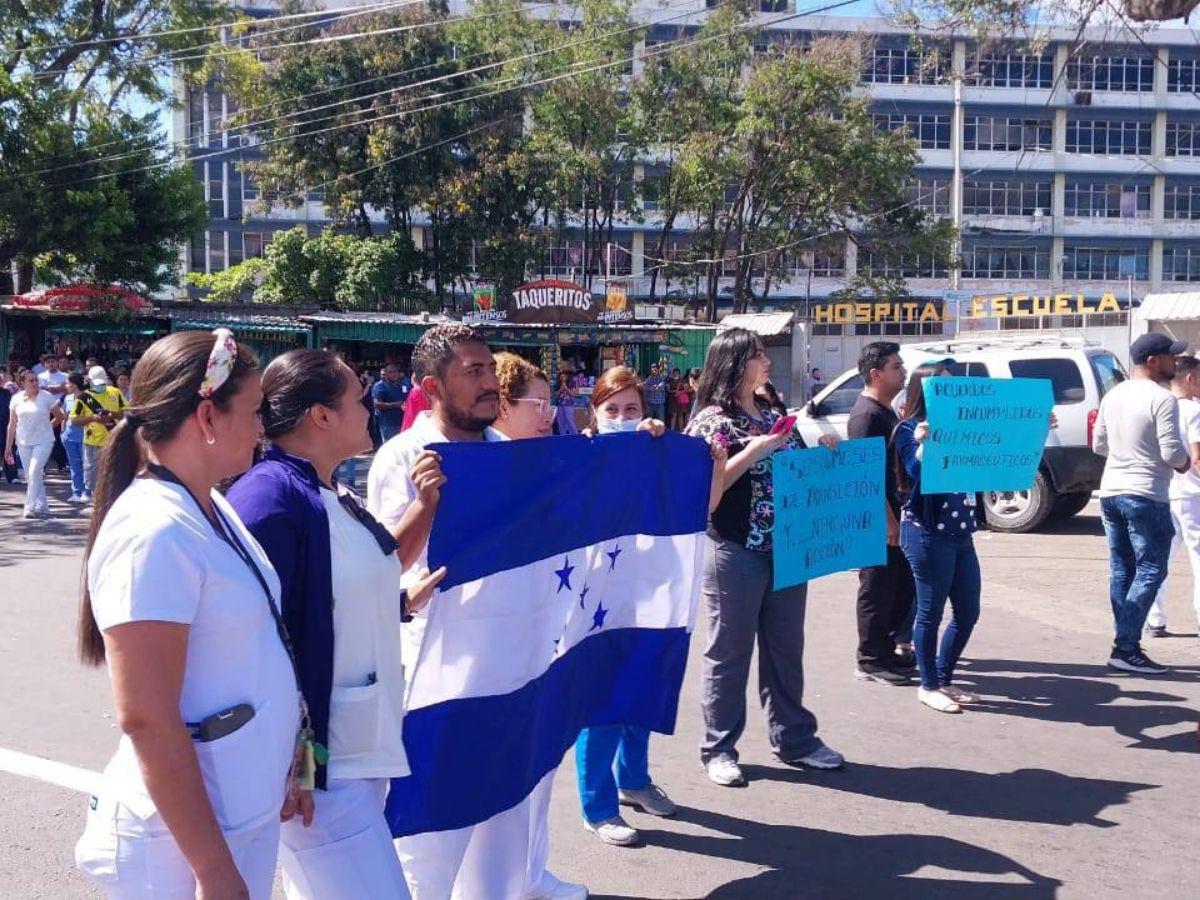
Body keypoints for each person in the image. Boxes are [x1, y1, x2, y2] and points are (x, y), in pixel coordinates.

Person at [74, 329, 302, 899]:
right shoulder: (153, 531)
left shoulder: (209, 504)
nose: (260, 428)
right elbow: (146, 717)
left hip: (232, 816)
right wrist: (215, 872)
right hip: (178, 847)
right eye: (253, 411)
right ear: (207, 416)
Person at [227, 349, 445, 900]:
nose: (370, 406)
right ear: (321, 416)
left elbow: (362, 574)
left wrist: (395, 599)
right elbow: (253, 640)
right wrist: (292, 765)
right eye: (357, 397)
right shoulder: (269, 498)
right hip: (320, 767)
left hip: (357, 748)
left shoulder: (328, 490)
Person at [685, 328, 842, 789]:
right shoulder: (712, 421)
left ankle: (795, 738)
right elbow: (702, 496)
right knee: (729, 653)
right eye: (757, 354)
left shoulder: (775, 413)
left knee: (786, 648)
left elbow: (802, 470)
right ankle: (718, 748)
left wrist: (828, 454)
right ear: (735, 362)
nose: (766, 361)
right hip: (736, 549)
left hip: (789, 548)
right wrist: (751, 452)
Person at [573, 366, 694, 849]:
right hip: (597, 602)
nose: (623, 418)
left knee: (641, 690)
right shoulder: (581, 455)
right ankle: (596, 806)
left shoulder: (655, 452)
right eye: (612, 410)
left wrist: (660, 446)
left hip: (647, 591)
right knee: (601, 704)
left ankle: (634, 781)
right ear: (594, 414)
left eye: (632, 410)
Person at [490, 352, 586, 898]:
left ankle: (530, 873)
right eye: (538, 403)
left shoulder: (547, 459)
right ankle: (507, 881)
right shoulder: (486, 466)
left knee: (541, 765)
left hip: (548, 632)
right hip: (506, 641)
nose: (550, 413)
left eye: (553, 402)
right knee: (508, 775)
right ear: (503, 405)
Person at [1093, 332, 1191, 675]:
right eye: (1170, 357)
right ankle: (1125, 647)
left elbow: (1099, 445)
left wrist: (1128, 452)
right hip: (1146, 493)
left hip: (1111, 492)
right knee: (1151, 568)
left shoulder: (1113, 394)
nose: (1175, 363)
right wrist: (1184, 464)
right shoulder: (1162, 399)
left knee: (1123, 569)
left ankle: (1125, 643)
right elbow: (1172, 452)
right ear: (1152, 361)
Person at [893, 363, 983, 715]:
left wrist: (1033, 429)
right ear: (924, 391)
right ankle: (928, 684)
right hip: (927, 533)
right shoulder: (908, 428)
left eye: (952, 386)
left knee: (968, 611)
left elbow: (994, 455)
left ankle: (944, 678)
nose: (950, 393)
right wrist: (921, 445)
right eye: (941, 387)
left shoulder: (963, 427)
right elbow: (914, 474)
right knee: (930, 612)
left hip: (961, 533)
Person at [848, 342, 915, 686]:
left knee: (894, 586)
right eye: (896, 366)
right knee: (876, 587)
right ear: (876, 374)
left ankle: (886, 651)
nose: (903, 371)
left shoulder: (886, 410)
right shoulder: (867, 415)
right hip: (877, 520)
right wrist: (888, 520)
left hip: (893, 515)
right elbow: (863, 475)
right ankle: (870, 659)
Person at [1146, 355, 1200, 638]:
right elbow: (1197, 458)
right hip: (1193, 493)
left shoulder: (1161, 406)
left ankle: (1155, 618)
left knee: (1162, 557)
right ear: (1190, 379)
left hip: (1166, 492)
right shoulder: (1193, 412)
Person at [4, 370, 65, 518]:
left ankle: (29, 507)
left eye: (36, 380)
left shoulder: (46, 397)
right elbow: (12, 424)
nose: (35, 383)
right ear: (22, 383)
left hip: (44, 440)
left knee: (34, 471)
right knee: (32, 475)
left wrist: (47, 427)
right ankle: (43, 506)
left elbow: (60, 416)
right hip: (23, 442)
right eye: (31, 381)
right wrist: (8, 448)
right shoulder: (16, 399)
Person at [71, 365, 127, 500]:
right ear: (89, 381)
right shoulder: (83, 398)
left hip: (114, 439)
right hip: (93, 441)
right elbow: (74, 420)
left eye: (102, 383)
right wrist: (92, 418)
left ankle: (109, 499)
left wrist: (112, 414)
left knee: (113, 472)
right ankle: (94, 498)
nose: (100, 386)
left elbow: (126, 412)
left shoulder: (115, 392)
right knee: (92, 473)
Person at [494, 353, 555, 441]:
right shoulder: (474, 452)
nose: (548, 418)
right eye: (539, 405)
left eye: (549, 406)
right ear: (503, 408)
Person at [39, 354, 70, 472]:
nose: (51, 364)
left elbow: (68, 389)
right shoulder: (41, 376)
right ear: (45, 364)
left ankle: (62, 463)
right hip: (45, 410)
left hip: (60, 409)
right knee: (44, 437)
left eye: (53, 361)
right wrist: (58, 388)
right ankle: (43, 465)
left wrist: (53, 388)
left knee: (59, 437)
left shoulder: (65, 376)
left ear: (57, 363)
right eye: (48, 362)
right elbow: (40, 390)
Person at [62, 372, 89, 503]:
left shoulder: (88, 397)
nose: (66, 385)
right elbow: (65, 416)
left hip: (85, 436)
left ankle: (86, 492)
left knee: (86, 464)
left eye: (67, 383)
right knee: (74, 465)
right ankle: (76, 491)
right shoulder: (67, 398)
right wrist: (63, 432)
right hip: (69, 436)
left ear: (74, 384)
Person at [372, 363, 410, 444]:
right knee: (390, 448)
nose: (394, 374)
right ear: (386, 374)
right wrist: (395, 404)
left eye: (395, 372)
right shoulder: (380, 386)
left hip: (403, 422)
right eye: (390, 372)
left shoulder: (402, 385)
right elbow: (377, 404)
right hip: (389, 424)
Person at [554, 371, 579, 436]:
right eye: (561, 377)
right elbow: (556, 395)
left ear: (567, 377)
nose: (562, 378)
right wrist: (561, 389)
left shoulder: (572, 383)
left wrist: (566, 389)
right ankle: (563, 436)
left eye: (563, 376)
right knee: (560, 422)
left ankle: (575, 435)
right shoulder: (558, 384)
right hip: (560, 404)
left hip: (569, 404)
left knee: (569, 420)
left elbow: (574, 394)